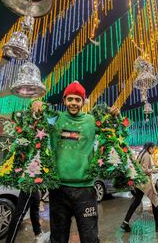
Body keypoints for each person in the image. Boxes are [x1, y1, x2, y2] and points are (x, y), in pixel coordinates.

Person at [31, 81, 119, 243]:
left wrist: (114, 114)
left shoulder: (92, 121)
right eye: (70, 99)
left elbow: (113, 130)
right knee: (58, 238)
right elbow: (35, 117)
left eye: (77, 100)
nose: (73, 103)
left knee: (90, 238)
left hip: (85, 190)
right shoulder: (54, 119)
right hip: (58, 189)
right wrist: (34, 103)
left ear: (83, 102)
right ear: (64, 101)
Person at [120, 142, 158, 234]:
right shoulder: (147, 155)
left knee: (136, 202)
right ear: (150, 148)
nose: (154, 150)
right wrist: (154, 170)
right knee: (154, 201)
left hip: (140, 182)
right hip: (145, 182)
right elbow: (144, 170)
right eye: (153, 148)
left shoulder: (141, 153)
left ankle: (125, 223)